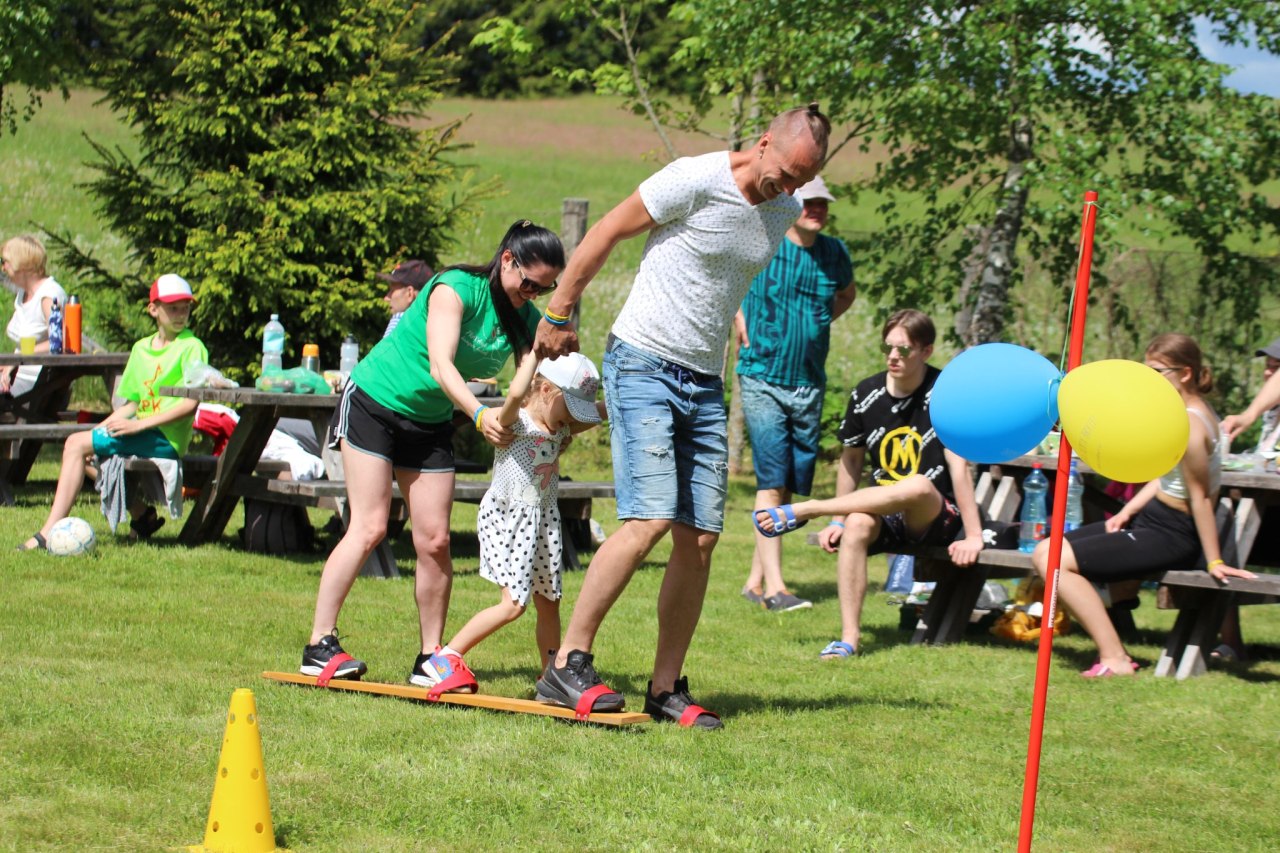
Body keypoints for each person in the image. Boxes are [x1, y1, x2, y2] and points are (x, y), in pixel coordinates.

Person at [532, 103, 830, 728]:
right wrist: (559, 312)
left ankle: (665, 688)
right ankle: (567, 663)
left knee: (701, 539)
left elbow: (723, 278)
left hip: (704, 380)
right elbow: (608, 230)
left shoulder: (781, 211)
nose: (792, 188)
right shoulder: (694, 177)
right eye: (788, 171)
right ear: (765, 140)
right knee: (650, 519)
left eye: (805, 180)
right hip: (642, 361)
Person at [300, 220, 564, 688]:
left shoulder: (523, 317)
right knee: (370, 526)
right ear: (507, 260)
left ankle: (431, 658)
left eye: (545, 288)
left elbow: (532, 379)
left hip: (428, 420)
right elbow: (442, 366)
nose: (533, 294)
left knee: (436, 540)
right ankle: (320, 645)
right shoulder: (454, 289)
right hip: (374, 403)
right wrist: (482, 418)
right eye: (529, 283)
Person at [753, 309, 986, 659]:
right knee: (859, 523)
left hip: (935, 514)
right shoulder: (866, 393)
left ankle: (811, 507)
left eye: (904, 349)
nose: (894, 356)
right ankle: (849, 638)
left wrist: (974, 535)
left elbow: (959, 467)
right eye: (888, 347)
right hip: (884, 512)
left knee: (920, 485)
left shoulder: (944, 394)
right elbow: (851, 460)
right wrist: (839, 522)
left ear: (926, 351)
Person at [1030, 334, 1256, 677]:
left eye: (1157, 371)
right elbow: (1166, 474)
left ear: (1185, 373)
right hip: (1151, 520)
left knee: (1055, 561)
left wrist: (1214, 560)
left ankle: (1115, 658)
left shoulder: (1193, 425)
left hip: (1173, 533)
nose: (1149, 379)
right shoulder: (1180, 415)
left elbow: (1200, 497)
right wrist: (1128, 509)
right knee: (1045, 550)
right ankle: (1111, 623)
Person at [434, 351, 605, 694]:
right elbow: (514, 395)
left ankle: (551, 677)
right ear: (544, 391)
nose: (573, 418)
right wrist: (537, 356)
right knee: (513, 604)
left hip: (543, 522)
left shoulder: (559, 427)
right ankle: (446, 658)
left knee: (549, 601)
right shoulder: (514, 423)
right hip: (510, 520)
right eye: (569, 407)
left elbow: (598, 413)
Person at [734, 174, 856, 612]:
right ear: (790, 204)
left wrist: (816, 324)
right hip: (762, 374)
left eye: (823, 204)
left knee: (784, 485)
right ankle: (776, 590)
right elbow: (725, 275)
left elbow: (846, 295)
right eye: (810, 203)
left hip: (808, 381)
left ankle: (754, 579)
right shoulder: (764, 242)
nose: (817, 210)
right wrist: (736, 313)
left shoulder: (834, 253)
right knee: (771, 481)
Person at [18, 274, 206, 550]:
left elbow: (190, 405)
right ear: (153, 309)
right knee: (80, 449)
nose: (180, 314)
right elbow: (130, 405)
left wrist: (138, 426)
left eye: (185, 307)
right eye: (172, 308)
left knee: (74, 445)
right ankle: (142, 515)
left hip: (165, 438)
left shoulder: (192, 348)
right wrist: (99, 430)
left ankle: (47, 534)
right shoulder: (141, 349)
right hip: (142, 431)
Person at [2, 234, 68, 398]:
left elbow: (61, 342)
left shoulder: (49, 295)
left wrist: (17, 358)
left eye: (5, 262)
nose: (3, 268)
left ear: (21, 265)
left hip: (38, 381)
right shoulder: (23, 294)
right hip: (18, 372)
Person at [1221, 337, 1280, 453]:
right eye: (1267, 366)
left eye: (1277, 368)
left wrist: (1249, 416)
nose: (1267, 372)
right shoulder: (1270, 409)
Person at [377, 259, 433, 339]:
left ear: (409, 293)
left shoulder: (399, 322)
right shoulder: (437, 326)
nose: (386, 298)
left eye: (392, 291)